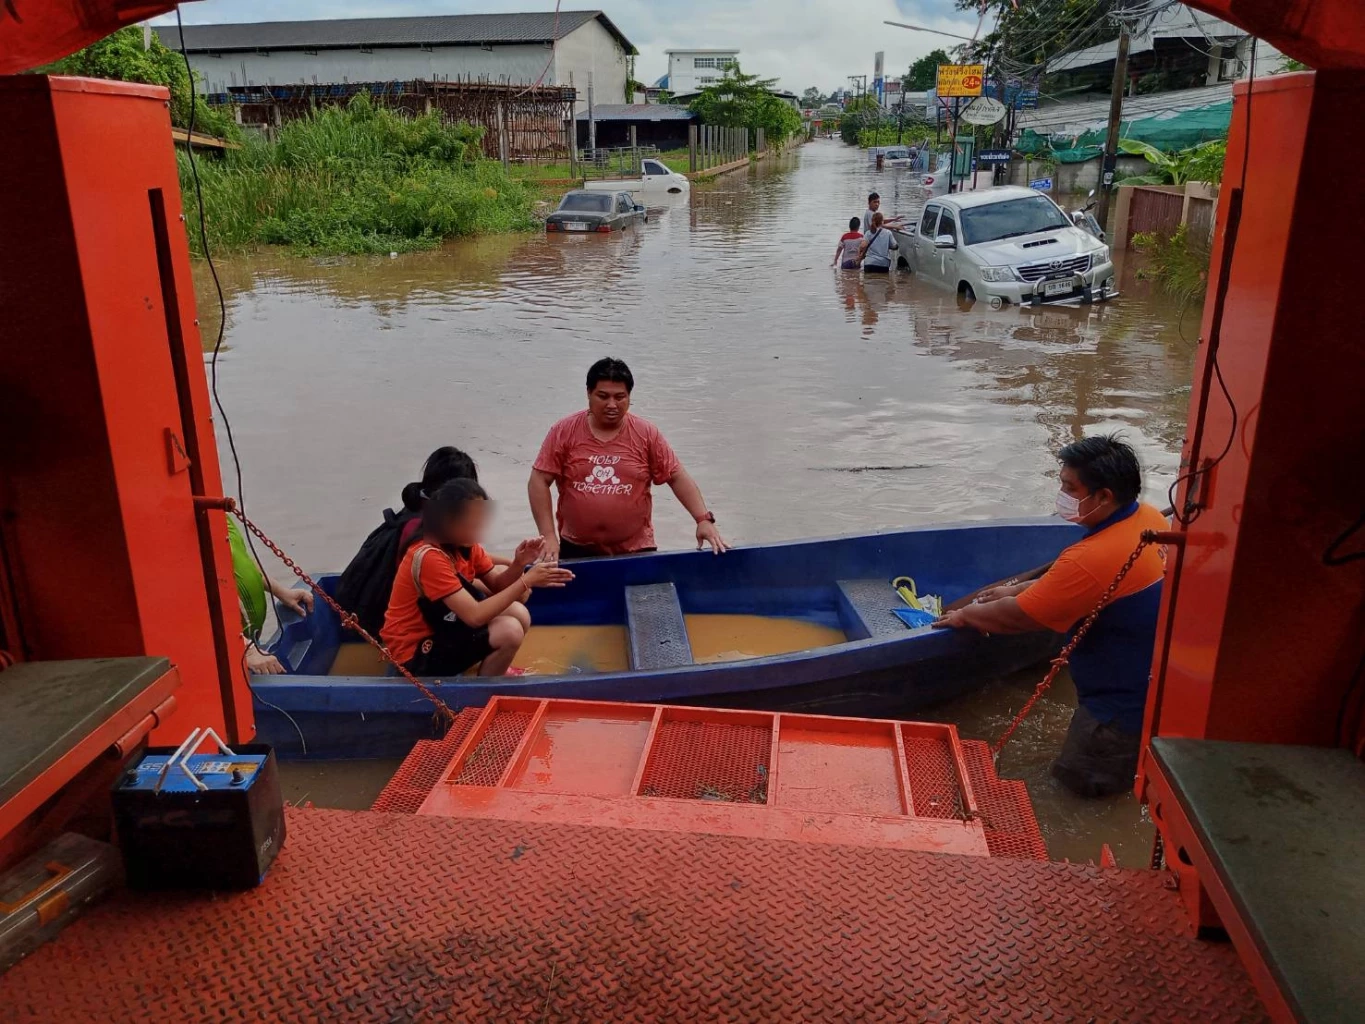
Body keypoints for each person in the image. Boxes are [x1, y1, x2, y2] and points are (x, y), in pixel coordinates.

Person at [933, 435, 1167, 797]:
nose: (1061, 493)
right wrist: (1014, 589)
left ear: (1104, 496)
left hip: (1118, 709)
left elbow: (1019, 617)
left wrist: (966, 616)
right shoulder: (1147, 519)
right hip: (1156, 684)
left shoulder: (1091, 558)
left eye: (1069, 487)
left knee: (1078, 791)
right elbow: (1075, 586)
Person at [529, 358, 728, 559]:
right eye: (603, 396)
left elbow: (676, 477)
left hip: (636, 549)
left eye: (620, 397)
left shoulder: (646, 434)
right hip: (576, 548)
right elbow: (539, 480)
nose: (612, 405)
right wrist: (548, 536)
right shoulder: (564, 431)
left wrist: (703, 520)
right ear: (589, 393)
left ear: (629, 396)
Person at [381, 478, 574, 677]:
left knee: (518, 612)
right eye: (472, 525)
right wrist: (527, 580)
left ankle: (494, 670)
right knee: (510, 631)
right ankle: (480, 694)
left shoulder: (464, 544)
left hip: (442, 625)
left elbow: (498, 584)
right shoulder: (429, 556)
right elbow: (475, 616)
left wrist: (519, 563)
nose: (478, 531)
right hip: (414, 651)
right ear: (448, 521)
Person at [335, 446, 508, 637]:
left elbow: (469, 553)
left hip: (429, 591)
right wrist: (512, 582)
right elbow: (442, 575)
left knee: (497, 582)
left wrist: (511, 562)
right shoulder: (421, 532)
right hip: (398, 617)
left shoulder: (427, 513)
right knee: (493, 596)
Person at [229, 516, 313, 675]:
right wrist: (246, 650)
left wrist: (282, 592)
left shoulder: (221, 517)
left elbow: (242, 560)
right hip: (229, 652)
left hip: (249, 641)